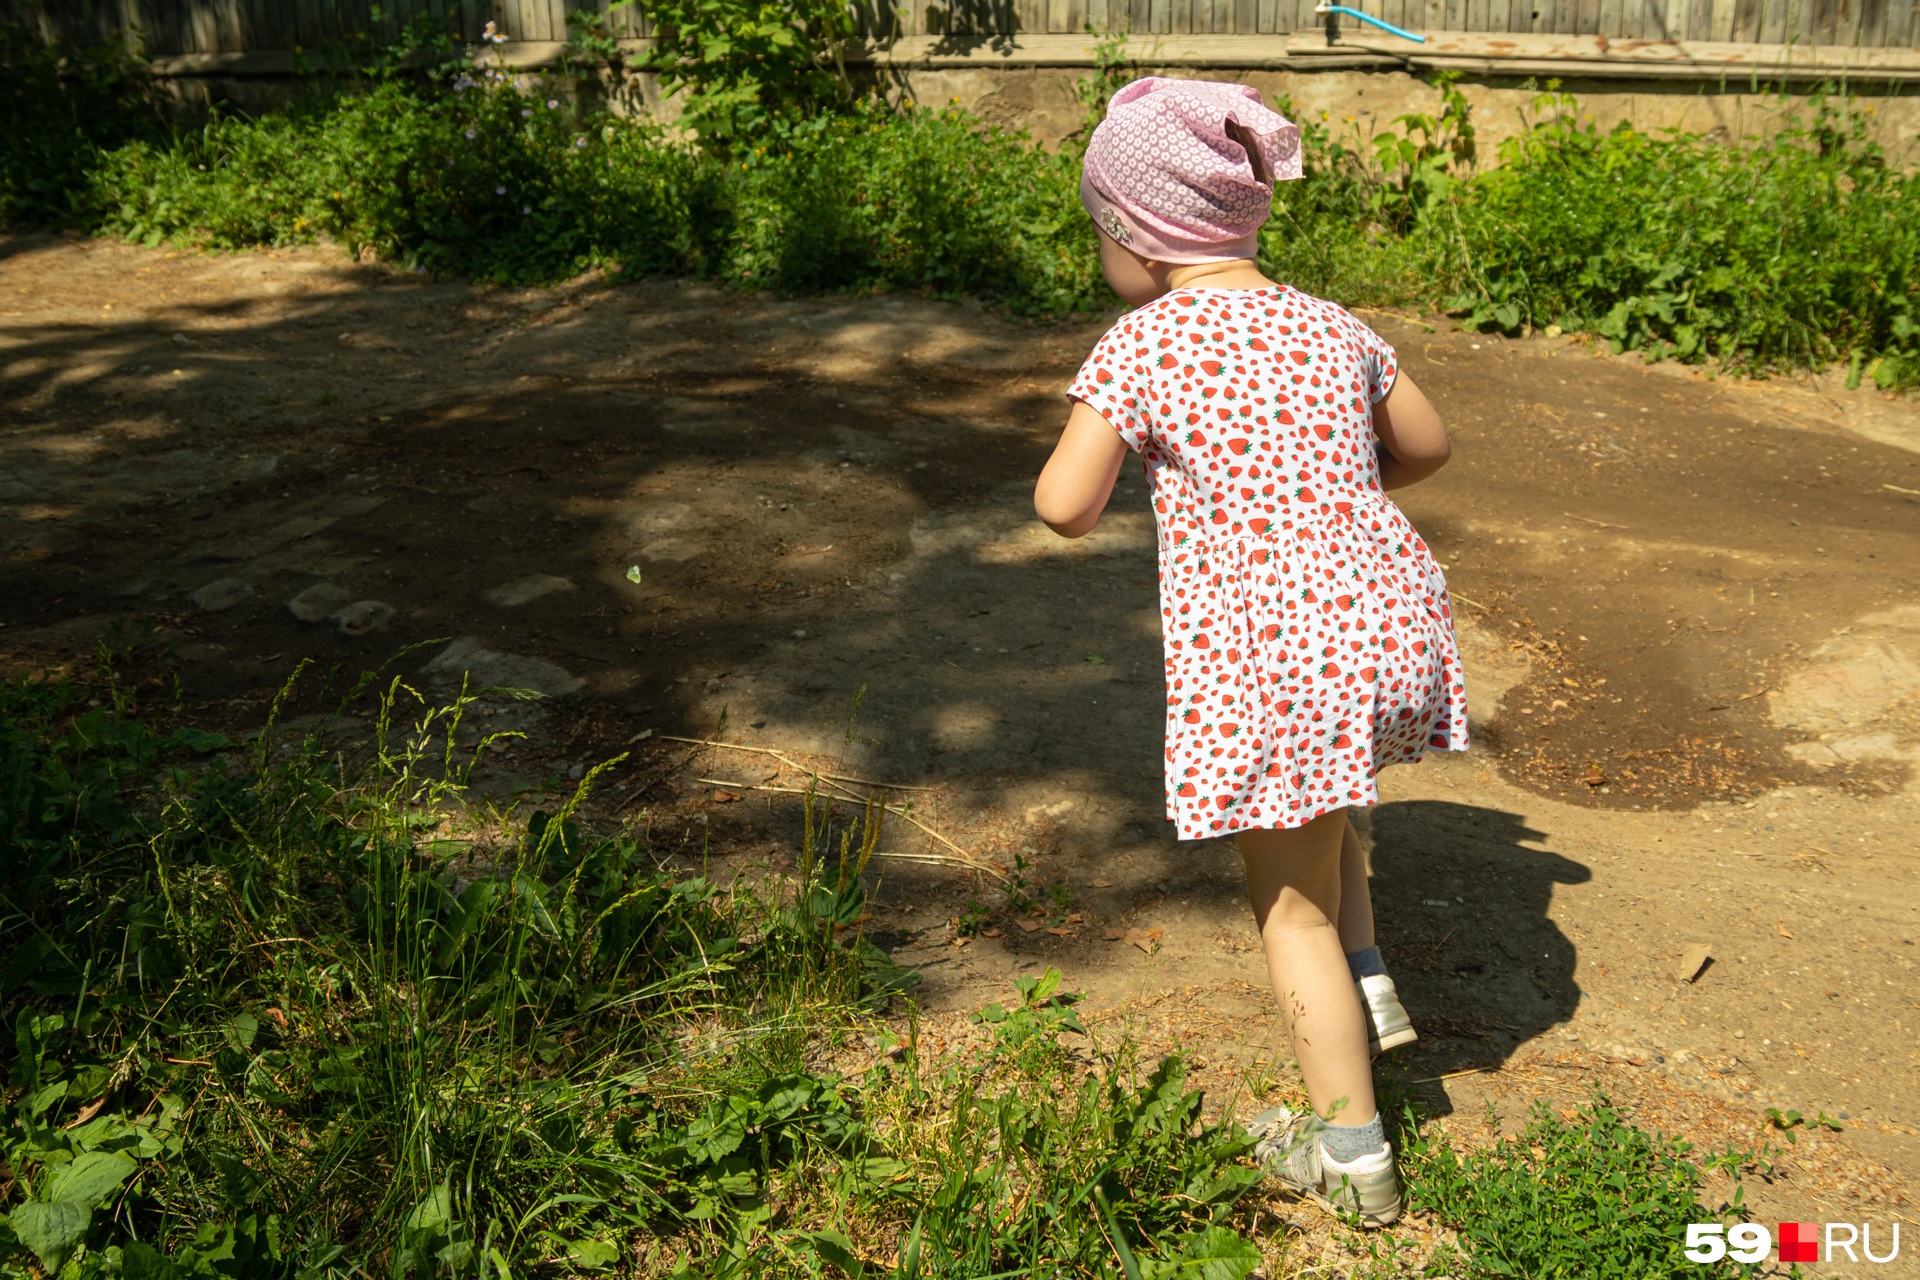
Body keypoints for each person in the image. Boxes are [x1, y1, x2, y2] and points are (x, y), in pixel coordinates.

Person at [1032, 76, 1465, 1227]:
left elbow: (1064, 505)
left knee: (1290, 912)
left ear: (1136, 233)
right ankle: (1368, 984)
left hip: (1279, 659)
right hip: (1388, 625)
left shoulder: (1144, 342)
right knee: (1335, 794)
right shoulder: (1332, 323)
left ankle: (1352, 1156)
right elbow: (1426, 445)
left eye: (1101, 233)